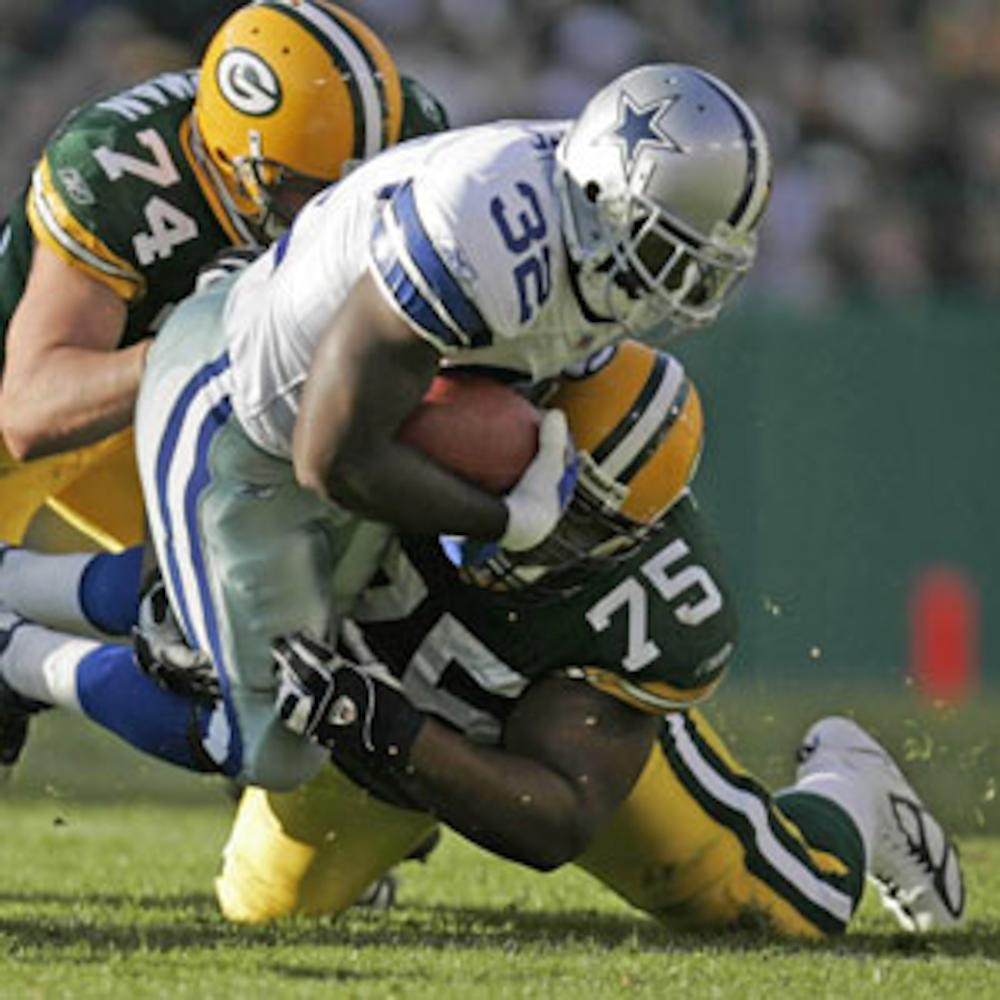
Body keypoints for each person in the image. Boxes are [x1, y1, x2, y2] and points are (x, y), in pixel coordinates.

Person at [218, 340, 965, 937]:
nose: (550, 529)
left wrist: (388, 730)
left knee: (790, 911)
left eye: (587, 524)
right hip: (369, 715)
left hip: (497, 728)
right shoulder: (402, 415)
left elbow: (557, 819)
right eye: (547, 487)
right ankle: (387, 836)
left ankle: (849, 784)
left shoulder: (641, 601)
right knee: (261, 909)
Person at [0, 0, 448, 552]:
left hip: (170, 412)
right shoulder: (120, 170)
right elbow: (29, 410)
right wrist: (204, 341)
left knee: (299, 563)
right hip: (42, 408)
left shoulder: (402, 133)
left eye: (351, 191)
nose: (328, 216)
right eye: (306, 193)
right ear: (230, 161)